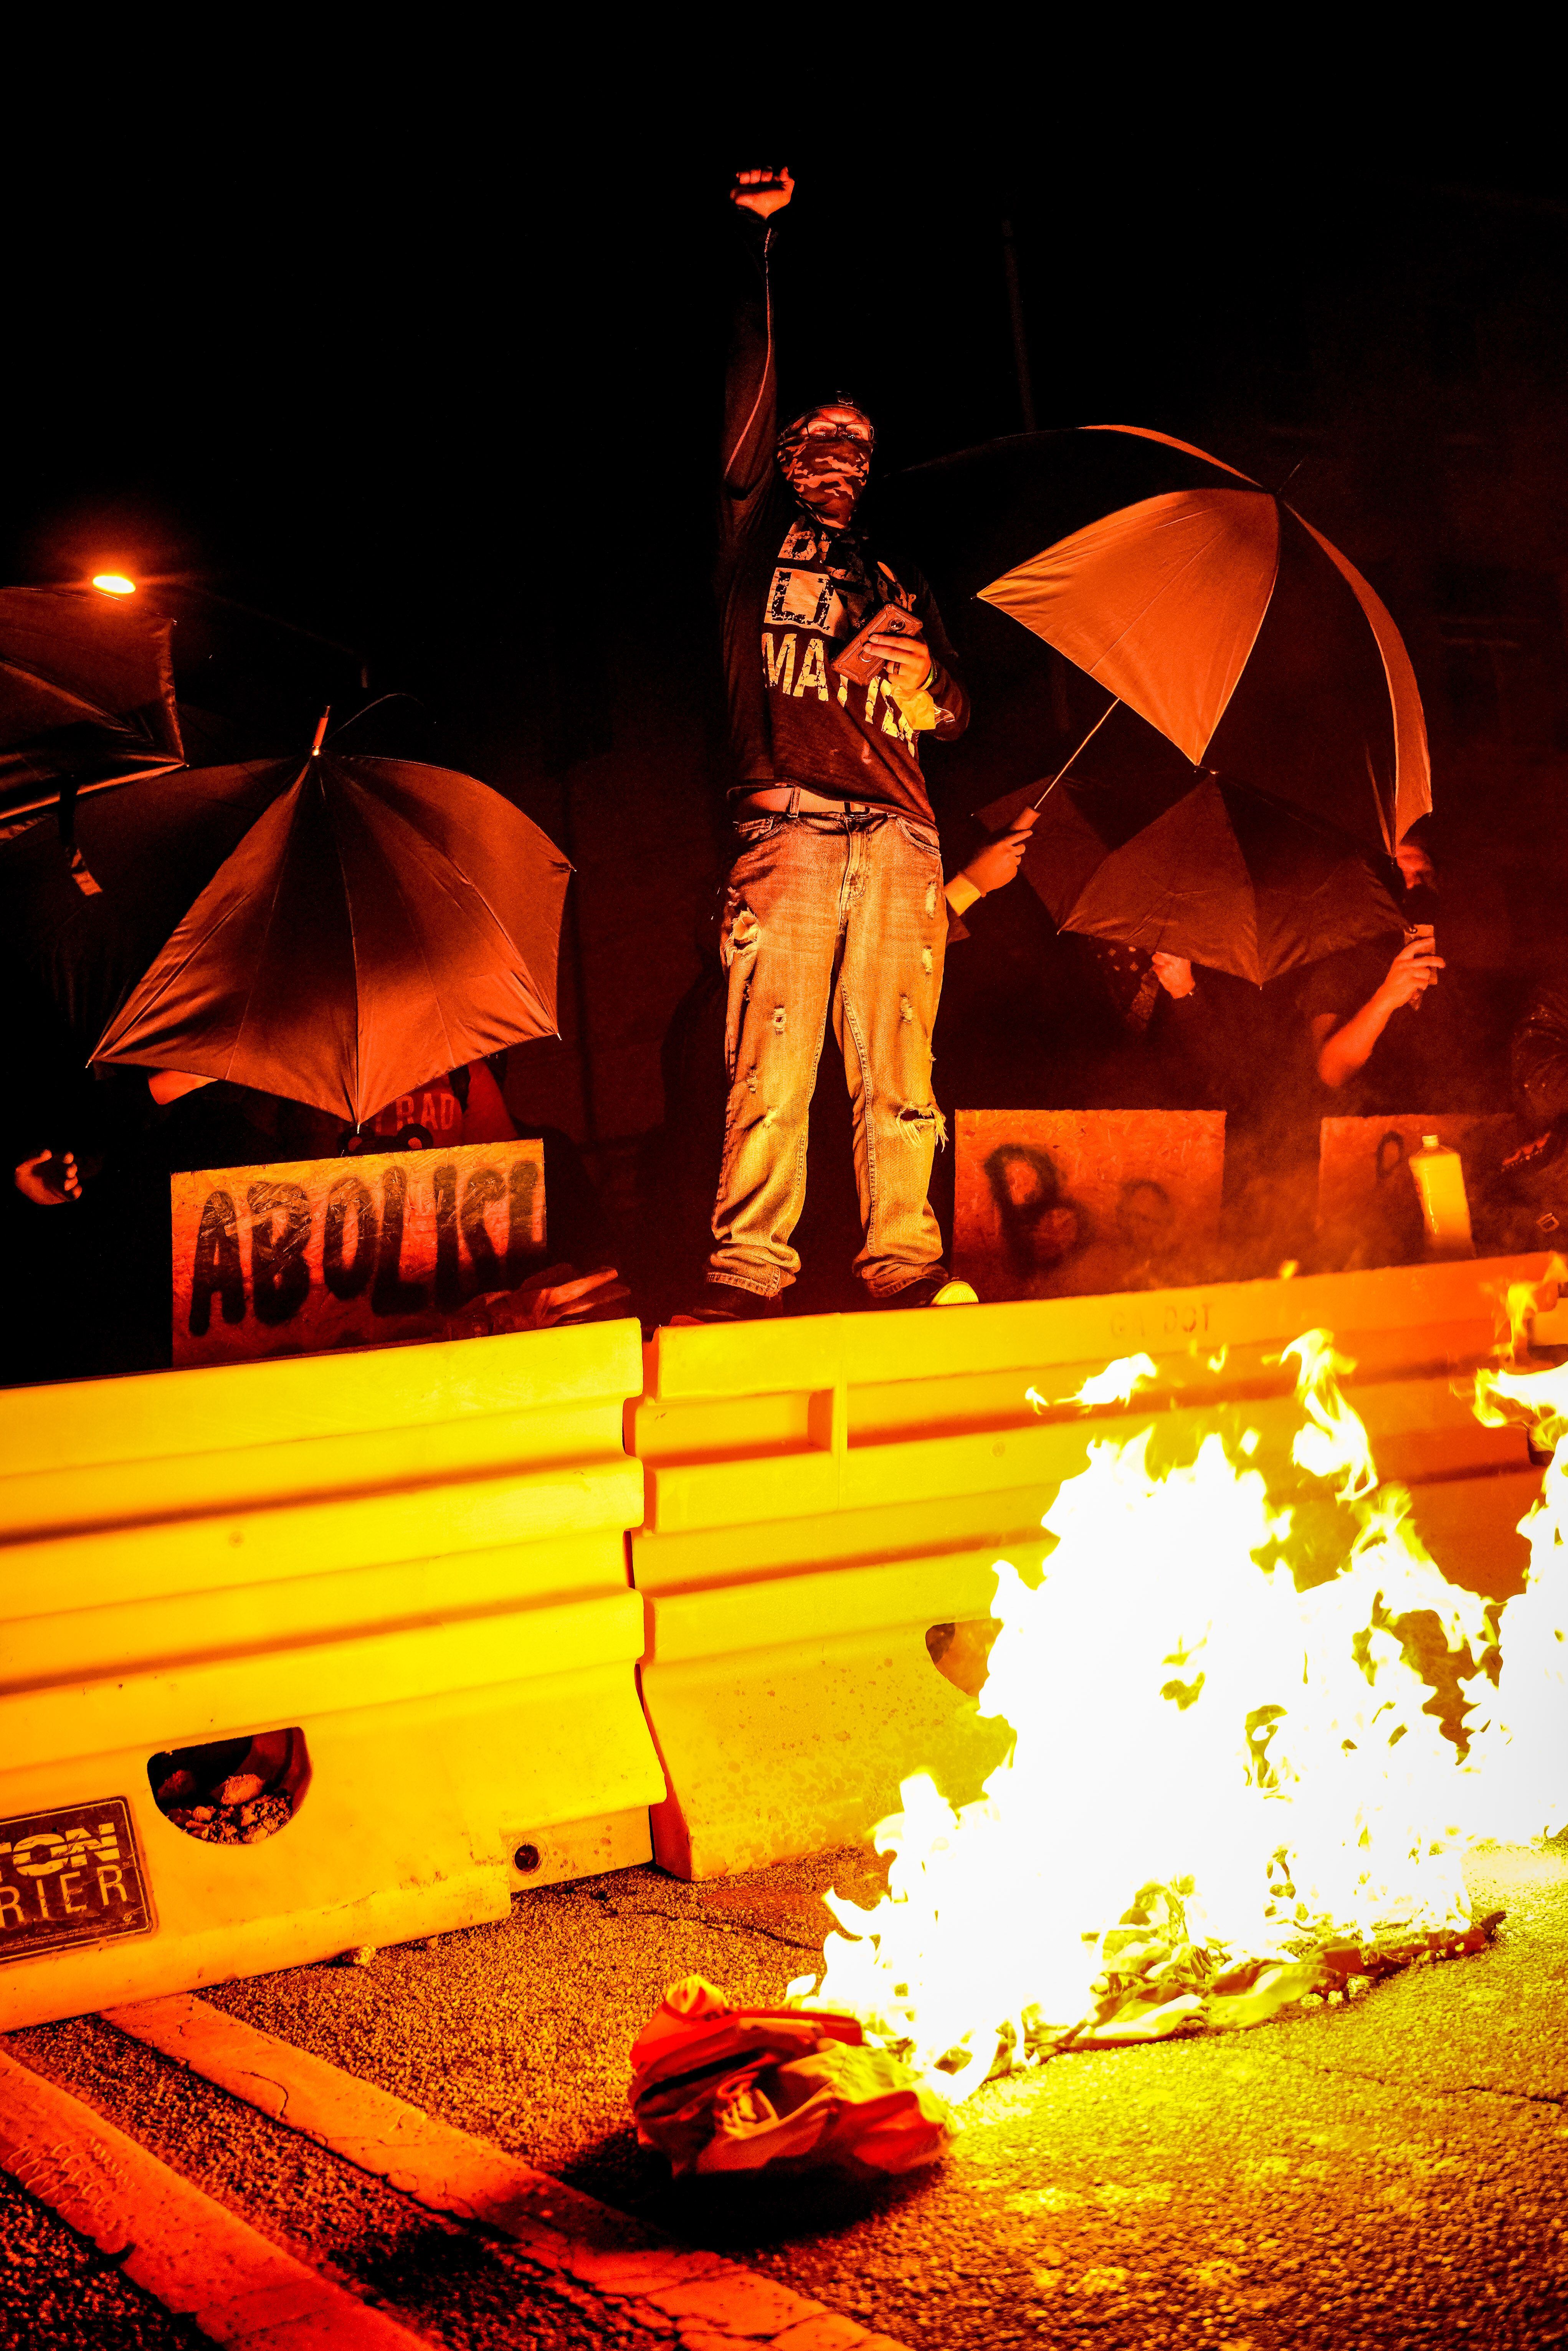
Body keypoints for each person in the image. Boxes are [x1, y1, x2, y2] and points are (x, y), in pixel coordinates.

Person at [692, 165, 981, 1319]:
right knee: (772, 1063)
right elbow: (746, 411)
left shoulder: (897, 571)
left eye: (858, 442)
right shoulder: (751, 540)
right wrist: (758, 257)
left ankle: (907, 1263)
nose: (837, 454)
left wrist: (919, 680)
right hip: (794, 824)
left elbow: (958, 706)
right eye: (820, 435)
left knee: (900, 1070)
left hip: (904, 835)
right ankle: (748, 1272)